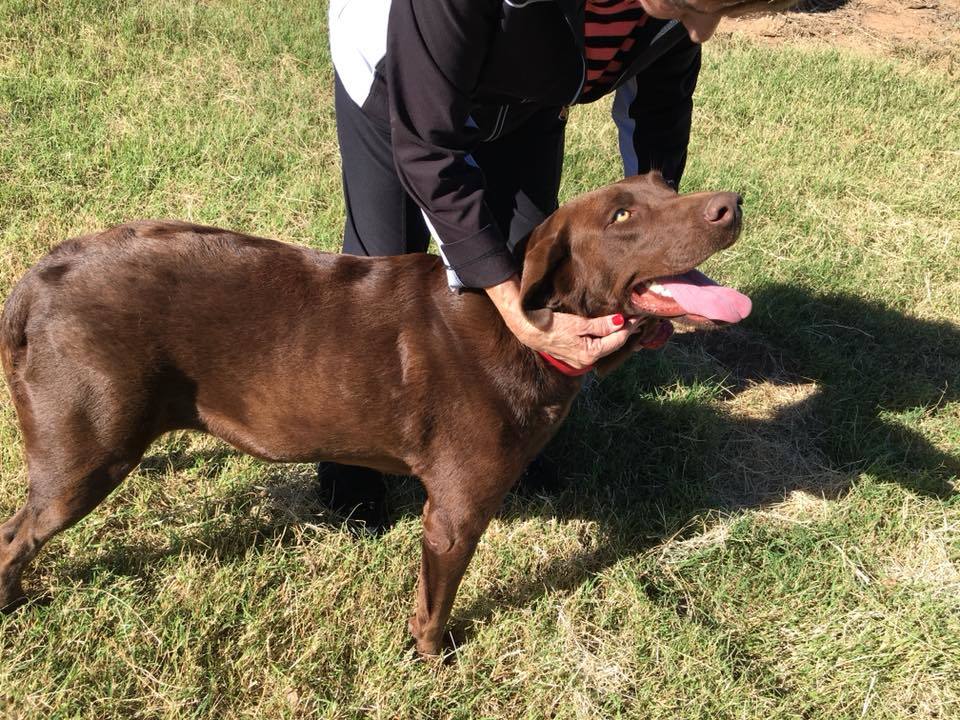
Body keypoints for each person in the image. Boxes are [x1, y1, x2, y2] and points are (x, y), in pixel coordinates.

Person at [321, 0, 795, 526]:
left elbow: (658, 113)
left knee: (533, 265)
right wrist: (504, 300)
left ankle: (504, 435)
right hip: (397, 80)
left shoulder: (677, 16)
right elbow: (428, 150)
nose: (702, 31)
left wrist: (656, 266)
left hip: (529, 98)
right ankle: (352, 469)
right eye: (695, 5)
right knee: (383, 273)